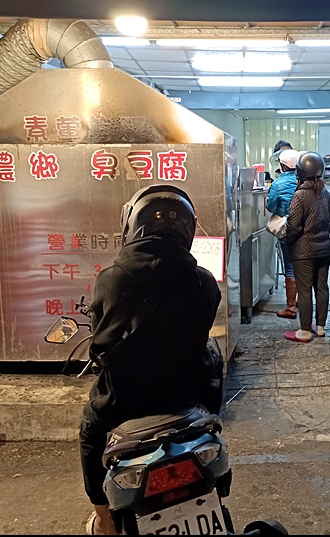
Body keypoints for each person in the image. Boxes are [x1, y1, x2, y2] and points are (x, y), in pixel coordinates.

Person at [79, 185, 223, 535]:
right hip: (190, 396)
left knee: (89, 432)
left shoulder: (109, 280)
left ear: (131, 225)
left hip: (124, 403)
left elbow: (100, 338)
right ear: (188, 229)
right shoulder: (204, 282)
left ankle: (104, 517)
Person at [283, 151, 330, 342]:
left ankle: (304, 330)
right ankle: (320, 327)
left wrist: (288, 240)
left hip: (303, 251)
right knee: (322, 288)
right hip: (324, 249)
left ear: (300, 171)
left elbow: (294, 226)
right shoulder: (325, 193)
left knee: (304, 290)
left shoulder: (300, 196)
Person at [267, 148, 301, 319]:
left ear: (282, 165)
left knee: (289, 266)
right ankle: (304, 301)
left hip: (287, 230)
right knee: (304, 266)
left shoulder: (277, 184)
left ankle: (291, 307)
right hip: (305, 231)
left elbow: (270, 206)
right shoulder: (305, 180)